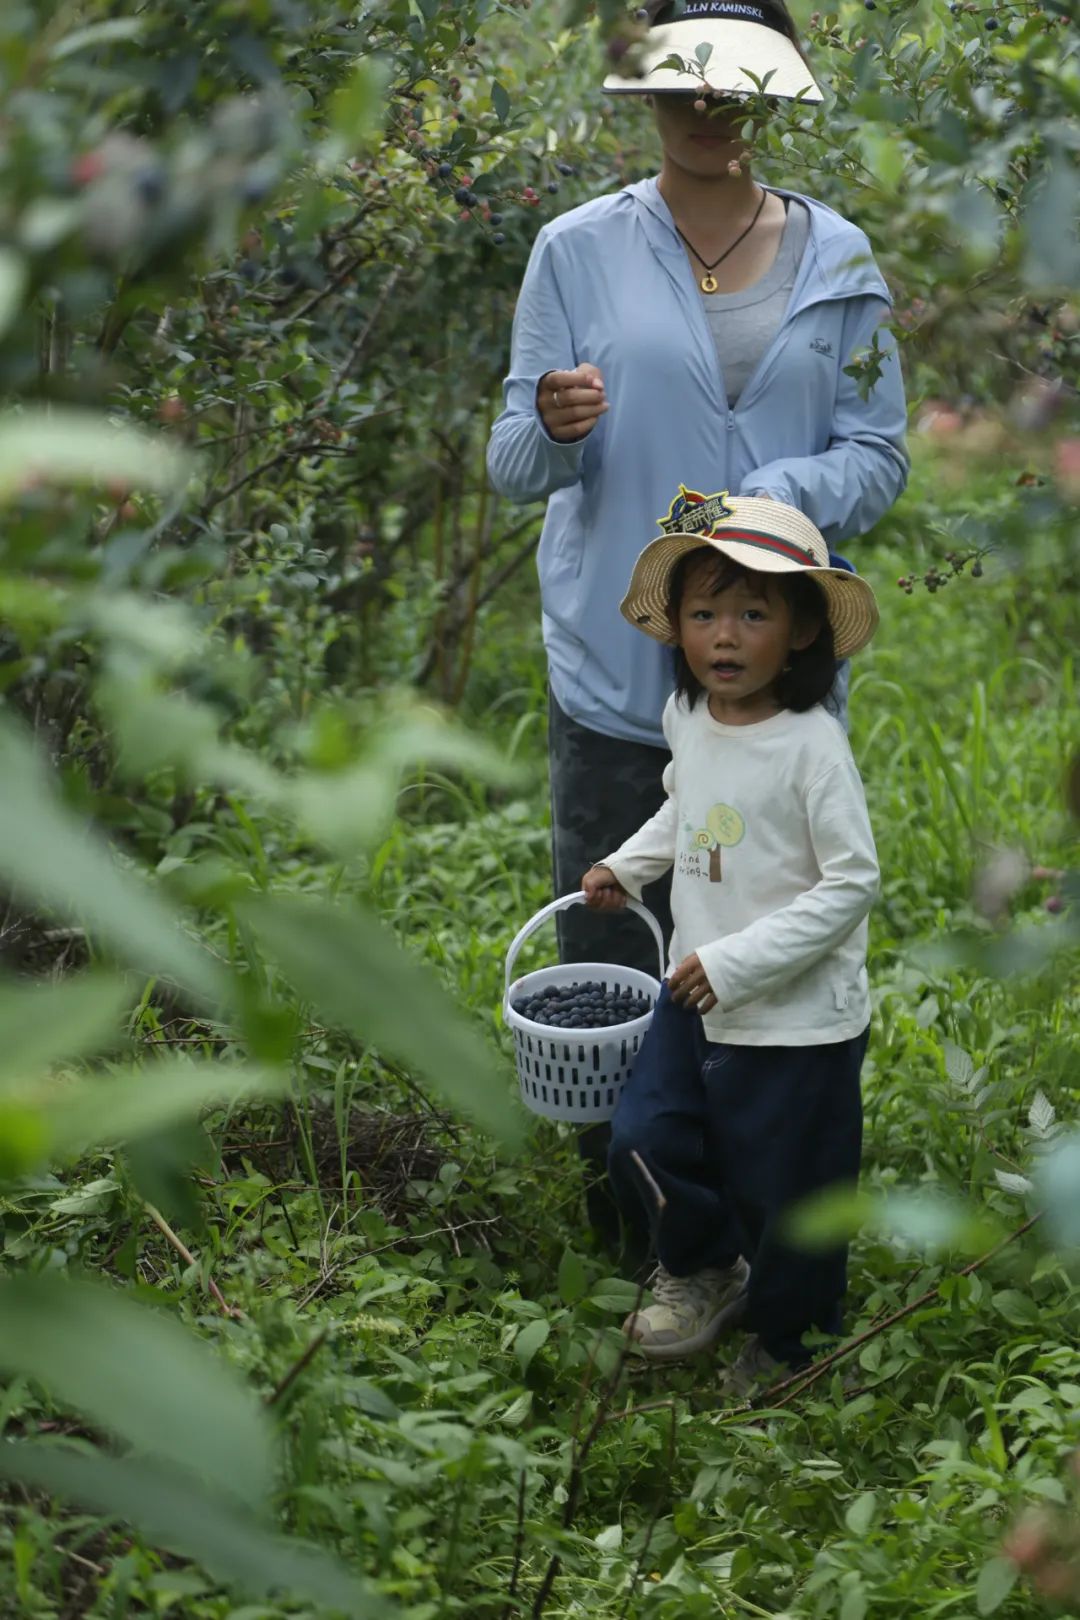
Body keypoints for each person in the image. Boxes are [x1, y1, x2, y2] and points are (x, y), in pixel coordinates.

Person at [487, 0, 907, 1257]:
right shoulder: (576, 250)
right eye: (684, 87)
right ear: (645, 96)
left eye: (736, 88)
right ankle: (637, 1231)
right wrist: (557, 427)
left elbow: (879, 460)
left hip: (775, 687)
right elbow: (512, 459)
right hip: (620, 678)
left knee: (763, 959)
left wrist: (777, 497)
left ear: (773, 95)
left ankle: (761, 1228)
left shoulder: (842, 263)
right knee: (617, 949)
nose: (710, 109)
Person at [581, 490, 880, 1397]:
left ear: (798, 633)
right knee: (643, 1134)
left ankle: (794, 1342)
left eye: (754, 612)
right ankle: (706, 1266)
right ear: (677, 629)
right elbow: (689, 807)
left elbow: (851, 883)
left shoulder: (811, 748)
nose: (725, 635)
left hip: (791, 1019)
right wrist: (628, 866)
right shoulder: (691, 721)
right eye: (705, 613)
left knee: (787, 1189)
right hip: (693, 990)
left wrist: (737, 963)